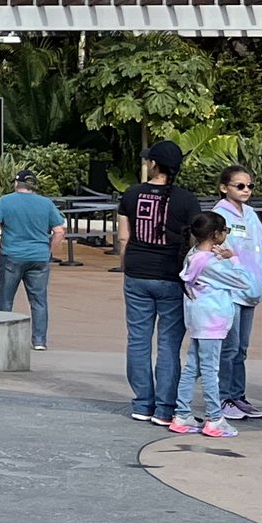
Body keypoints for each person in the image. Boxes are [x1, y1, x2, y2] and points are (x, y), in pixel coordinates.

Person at [118, 140, 190, 425]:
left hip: (137, 273)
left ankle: (142, 403)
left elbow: (123, 237)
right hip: (171, 275)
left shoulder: (131, 194)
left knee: (138, 339)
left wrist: (129, 262)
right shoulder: (186, 199)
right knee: (169, 343)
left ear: (154, 164)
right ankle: (164, 408)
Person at [175, 210, 255, 438]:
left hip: (198, 318)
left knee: (193, 367)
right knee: (211, 370)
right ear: (215, 235)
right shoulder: (212, 264)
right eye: (225, 231)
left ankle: (182, 413)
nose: (226, 235)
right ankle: (214, 418)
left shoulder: (193, 254)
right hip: (213, 320)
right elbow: (244, 282)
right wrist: (233, 258)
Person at [0, 168, 67, 351]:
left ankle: (1, 338)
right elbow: (59, 231)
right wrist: (49, 251)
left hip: (12, 255)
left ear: (16, 183)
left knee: (5, 299)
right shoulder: (46, 204)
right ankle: (39, 341)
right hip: (39, 257)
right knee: (39, 301)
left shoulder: (5, 201)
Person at [214, 166, 262, 418]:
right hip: (231, 290)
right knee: (230, 346)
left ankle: (238, 395)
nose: (246, 190)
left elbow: (260, 251)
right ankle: (223, 397)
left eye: (249, 186)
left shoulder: (251, 214)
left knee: (242, 347)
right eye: (240, 186)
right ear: (225, 187)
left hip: (250, 289)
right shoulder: (219, 216)